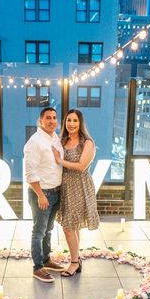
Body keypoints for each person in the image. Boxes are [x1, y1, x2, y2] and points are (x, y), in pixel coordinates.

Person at [51, 109, 100, 276]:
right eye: (69, 120)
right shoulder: (62, 140)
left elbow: (81, 166)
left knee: (68, 227)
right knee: (72, 225)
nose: (71, 124)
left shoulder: (87, 143)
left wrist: (60, 160)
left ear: (81, 123)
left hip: (80, 186)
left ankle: (73, 263)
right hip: (65, 186)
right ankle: (76, 258)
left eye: (75, 121)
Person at [24, 107, 66, 283]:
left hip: (56, 191)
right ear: (40, 121)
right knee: (39, 231)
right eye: (48, 118)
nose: (52, 121)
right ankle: (38, 267)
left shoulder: (55, 138)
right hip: (42, 194)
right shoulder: (35, 142)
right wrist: (40, 195)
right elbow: (30, 172)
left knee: (48, 229)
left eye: (55, 118)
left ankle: (47, 259)